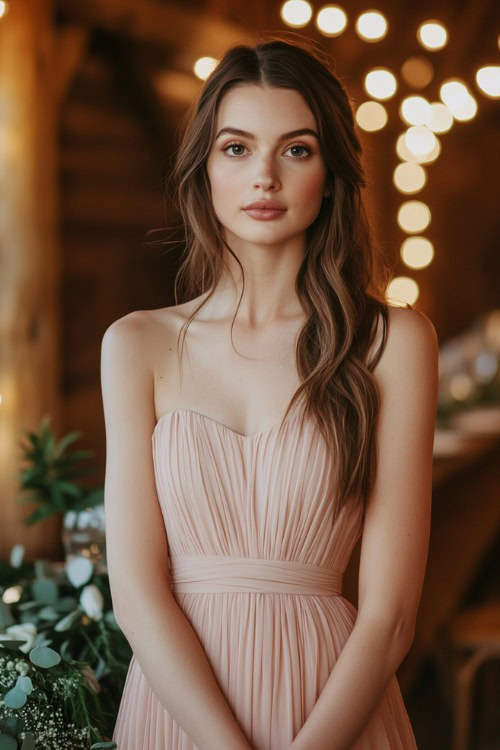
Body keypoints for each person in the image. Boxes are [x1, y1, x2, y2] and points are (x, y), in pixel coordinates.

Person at [101, 33, 438, 750]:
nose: (264, 177)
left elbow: (391, 616)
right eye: (236, 148)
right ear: (204, 170)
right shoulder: (136, 345)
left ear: (331, 172)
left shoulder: (392, 344)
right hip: (178, 710)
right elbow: (134, 591)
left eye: (296, 149)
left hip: (334, 708)